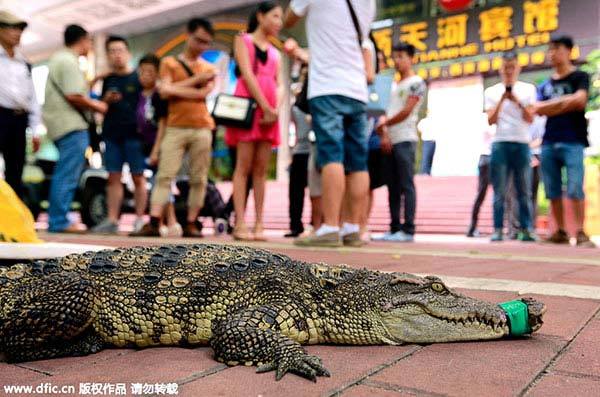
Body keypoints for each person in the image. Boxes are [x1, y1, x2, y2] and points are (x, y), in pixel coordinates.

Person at [286, 0, 376, 247]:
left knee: (331, 156)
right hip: (356, 90)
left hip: (327, 86)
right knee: (357, 161)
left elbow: (289, 19)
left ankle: (330, 227)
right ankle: (352, 228)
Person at [132, 17, 216, 238]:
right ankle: (154, 222)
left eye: (206, 42)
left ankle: (191, 222)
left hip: (202, 127)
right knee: (164, 176)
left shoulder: (209, 67)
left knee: (199, 178)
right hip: (175, 126)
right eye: (198, 40)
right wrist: (196, 80)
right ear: (187, 35)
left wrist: (174, 88)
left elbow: (202, 93)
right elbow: (164, 92)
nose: (202, 46)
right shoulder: (169, 63)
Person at [225, 1, 283, 242]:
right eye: (276, 16)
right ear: (261, 16)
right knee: (243, 167)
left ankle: (259, 224)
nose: (279, 22)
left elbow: (279, 83)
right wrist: (266, 107)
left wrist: (275, 109)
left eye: (281, 18)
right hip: (249, 108)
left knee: (260, 171)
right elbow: (247, 74)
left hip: (270, 112)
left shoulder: (276, 53)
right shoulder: (243, 40)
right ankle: (239, 223)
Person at [531, 36, 595, 247]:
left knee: (576, 187)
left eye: (556, 49)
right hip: (549, 141)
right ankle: (559, 231)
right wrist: (566, 103)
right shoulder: (544, 84)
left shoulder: (580, 76)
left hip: (574, 141)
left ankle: (580, 232)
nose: (552, 53)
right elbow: (537, 109)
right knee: (552, 189)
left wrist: (552, 106)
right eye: (550, 50)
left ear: (569, 51)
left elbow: (580, 101)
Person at [44, 24, 108, 233]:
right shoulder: (68, 61)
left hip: (60, 124)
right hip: (71, 125)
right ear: (82, 40)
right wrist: (99, 105)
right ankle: (59, 220)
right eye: (89, 41)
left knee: (65, 172)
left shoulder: (58, 59)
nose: (90, 45)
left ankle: (58, 218)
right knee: (68, 174)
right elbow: (74, 95)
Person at [91, 36, 146, 234]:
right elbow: (98, 107)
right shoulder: (107, 79)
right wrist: (105, 98)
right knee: (113, 177)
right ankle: (112, 219)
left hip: (135, 135)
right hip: (112, 135)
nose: (117, 54)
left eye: (120, 50)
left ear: (128, 53)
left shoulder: (139, 78)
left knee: (138, 177)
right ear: (107, 55)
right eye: (112, 51)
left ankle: (140, 219)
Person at [374, 42, 427, 243]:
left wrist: (385, 124)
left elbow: (406, 111)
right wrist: (384, 133)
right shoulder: (392, 86)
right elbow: (382, 111)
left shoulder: (416, 83)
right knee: (392, 185)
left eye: (401, 56)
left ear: (411, 58)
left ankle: (408, 229)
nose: (397, 61)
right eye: (394, 56)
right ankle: (394, 227)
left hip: (406, 139)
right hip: (389, 140)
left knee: (406, 184)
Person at [485, 51, 536, 242]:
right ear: (500, 69)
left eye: (512, 67)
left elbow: (530, 118)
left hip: (522, 143)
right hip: (500, 143)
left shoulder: (528, 89)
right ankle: (498, 229)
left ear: (518, 68)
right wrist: (502, 99)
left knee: (524, 190)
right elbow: (491, 120)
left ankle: (527, 230)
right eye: (505, 67)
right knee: (499, 190)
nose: (508, 71)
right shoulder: (491, 92)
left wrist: (516, 100)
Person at [135, 53, 181, 237]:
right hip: (144, 144)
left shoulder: (160, 95)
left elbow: (163, 124)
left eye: (150, 72)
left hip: (161, 145)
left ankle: (170, 221)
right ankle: (165, 222)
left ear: (158, 73)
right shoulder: (138, 95)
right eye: (142, 71)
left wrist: (156, 150)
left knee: (162, 183)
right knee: (158, 183)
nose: (145, 75)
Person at [0, 11, 41, 199]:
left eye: (20, 29)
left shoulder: (24, 62)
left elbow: (31, 97)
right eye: (12, 28)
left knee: (16, 170)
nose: (17, 33)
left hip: (19, 120)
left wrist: (35, 128)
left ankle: (11, 224)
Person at [286, 74, 311, 238]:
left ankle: (296, 225)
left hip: (300, 150)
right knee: (317, 191)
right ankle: (317, 223)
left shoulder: (296, 106)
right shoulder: (322, 104)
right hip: (311, 149)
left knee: (296, 191)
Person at [467, 114, 495, 237]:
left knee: (483, 195)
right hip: (488, 157)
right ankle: (472, 228)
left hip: (487, 158)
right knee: (483, 194)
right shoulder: (487, 119)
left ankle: (473, 228)